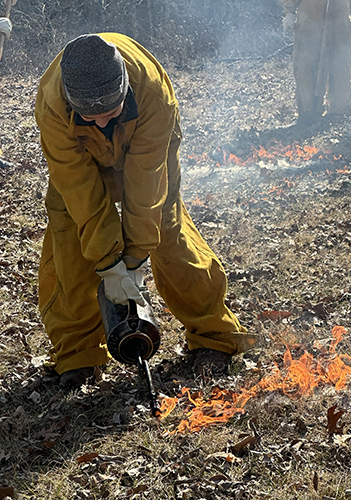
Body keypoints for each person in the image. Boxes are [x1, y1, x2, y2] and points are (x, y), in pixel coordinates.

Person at [35, 33, 257, 389]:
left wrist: (134, 259)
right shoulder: (52, 105)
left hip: (147, 152)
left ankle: (213, 335)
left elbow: (145, 183)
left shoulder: (153, 94)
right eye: (92, 118)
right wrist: (109, 263)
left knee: (167, 232)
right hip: (82, 160)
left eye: (110, 114)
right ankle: (77, 355)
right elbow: (77, 186)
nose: (104, 125)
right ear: (74, 105)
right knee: (70, 239)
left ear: (125, 90)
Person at [281, 0, 351, 125]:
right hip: (314, 16)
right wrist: (290, 11)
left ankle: (336, 111)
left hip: (332, 16)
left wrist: (290, 10)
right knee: (308, 64)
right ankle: (311, 112)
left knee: (338, 63)